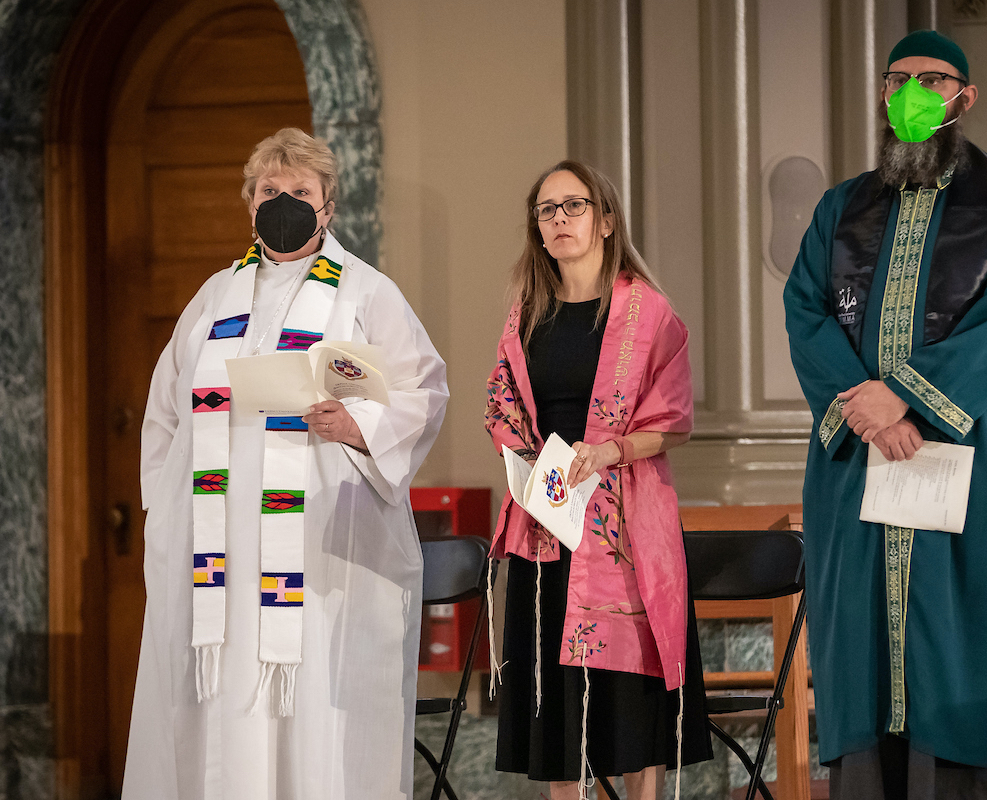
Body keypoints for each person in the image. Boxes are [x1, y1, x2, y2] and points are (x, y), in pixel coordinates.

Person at [125, 127, 449, 799]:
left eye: (300, 191)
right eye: (269, 191)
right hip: (216, 563)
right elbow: (164, 415)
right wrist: (168, 520)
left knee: (310, 727)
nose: (284, 202)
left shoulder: (365, 292)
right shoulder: (215, 299)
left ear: (328, 206)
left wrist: (356, 424)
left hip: (317, 557)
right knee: (215, 716)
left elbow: (423, 394)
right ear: (249, 206)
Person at [783, 30, 987, 799]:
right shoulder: (841, 208)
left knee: (962, 644)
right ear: (880, 94)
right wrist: (867, 410)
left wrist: (904, 392)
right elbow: (806, 311)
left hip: (967, 458)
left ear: (964, 99)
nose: (911, 93)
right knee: (862, 657)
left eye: (932, 80)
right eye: (897, 78)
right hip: (856, 467)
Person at [484, 160, 712, 800]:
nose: (559, 219)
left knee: (629, 692)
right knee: (557, 696)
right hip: (550, 519)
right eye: (546, 209)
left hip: (624, 523)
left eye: (573, 205)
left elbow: (673, 421)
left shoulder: (649, 312)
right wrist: (527, 460)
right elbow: (502, 405)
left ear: (606, 219)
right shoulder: (526, 314)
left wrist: (609, 451)